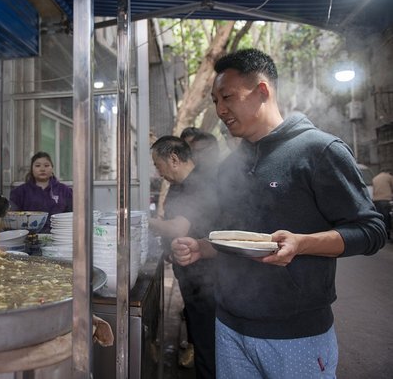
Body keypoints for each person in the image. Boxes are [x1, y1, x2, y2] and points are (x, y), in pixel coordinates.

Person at [171, 48, 386, 378]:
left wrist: (302, 243)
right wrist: (202, 247)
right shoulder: (231, 165)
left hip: (295, 334)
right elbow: (238, 237)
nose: (220, 110)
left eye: (227, 97)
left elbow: (371, 231)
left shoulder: (318, 149)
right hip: (228, 325)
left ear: (262, 90)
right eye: (215, 101)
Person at [148, 136, 217, 379]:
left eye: (158, 165)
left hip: (205, 280)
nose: (158, 172)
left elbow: (179, 228)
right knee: (201, 340)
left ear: (174, 159)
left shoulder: (197, 184)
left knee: (207, 346)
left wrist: (147, 223)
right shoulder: (180, 185)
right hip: (190, 275)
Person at [9, 151, 72, 233]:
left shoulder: (64, 190)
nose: (42, 169)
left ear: (52, 168)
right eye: (38, 166)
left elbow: (72, 216)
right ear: (32, 168)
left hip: (59, 237)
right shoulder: (19, 192)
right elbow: (12, 219)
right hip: (28, 238)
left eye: (46, 165)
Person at [372, 169, 393, 239]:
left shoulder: (375, 178)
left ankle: (380, 233)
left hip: (376, 200)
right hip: (386, 200)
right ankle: (387, 234)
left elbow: (374, 190)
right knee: (387, 217)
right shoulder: (389, 177)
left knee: (380, 217)